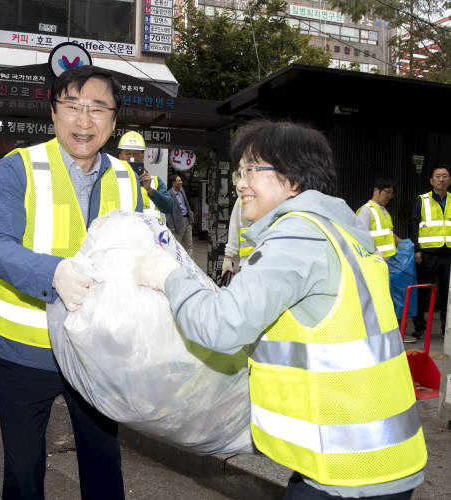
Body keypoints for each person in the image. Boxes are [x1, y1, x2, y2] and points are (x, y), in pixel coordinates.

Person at [133, 120, 426, 499]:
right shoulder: (337, 231)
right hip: (376, 460)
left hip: (346, 472)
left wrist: (169, 275)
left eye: (253, 169)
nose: (241, 183)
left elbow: (221, 327)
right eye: (240, 171)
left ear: (293, 179)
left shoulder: (296, 237)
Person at [0, 65, 143, 499]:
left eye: (97, 108)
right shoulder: (20, 167)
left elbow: (146, 250)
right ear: (53, 113)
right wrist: (53, 273)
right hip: (25, 351)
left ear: (113, 120)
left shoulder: (128, 180)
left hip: (96, 354)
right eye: (72, 106)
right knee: (25, 472)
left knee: (104, 468)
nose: (83, 121)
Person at [411, 164, 451, 339]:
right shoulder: (422, 200)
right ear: (431, 180)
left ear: (449, 180)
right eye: (438, 176)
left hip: (448, 254)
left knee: (447, 293)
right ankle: (420, 327)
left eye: (444, 176)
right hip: (427, 254)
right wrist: (417, 250)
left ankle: (446, 328)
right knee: (423, 291)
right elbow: (413, 225)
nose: (441, 179)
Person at [117, 131, 173, 221]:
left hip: (150, 234)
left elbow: (168, 207)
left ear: (143, 155)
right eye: (127, 153)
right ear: (120, 156)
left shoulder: (155, 182)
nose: (132, 158)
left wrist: (150, 190)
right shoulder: (112, 178)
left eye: (136, 153)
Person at [356, 177, 401, 259]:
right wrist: (378, 254)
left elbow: (389, 234)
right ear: (376, 190)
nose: (389, 196)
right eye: (387, 192)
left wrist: (403, 243)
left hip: (389, 261)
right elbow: (362, 237)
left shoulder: (385, 212)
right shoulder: (366, 210)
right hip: (376, 262)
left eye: (392, 194)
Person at [221, 198, 252, 277]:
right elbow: (234, 227)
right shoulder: (242, 198)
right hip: (246, 264)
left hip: (271, 264)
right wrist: (228, 257)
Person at [165, 173, 194, 257]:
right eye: (179, 181)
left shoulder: (182, 190)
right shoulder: (169, 194)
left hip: (187, 220)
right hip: (177, 222)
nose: (181, 182)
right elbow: (168, 211)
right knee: (177, 245)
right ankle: (176, 263)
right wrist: (171, 226)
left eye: (181, 180)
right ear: (174, 183)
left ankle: (191, 266)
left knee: (189, 244)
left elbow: (186, 204)